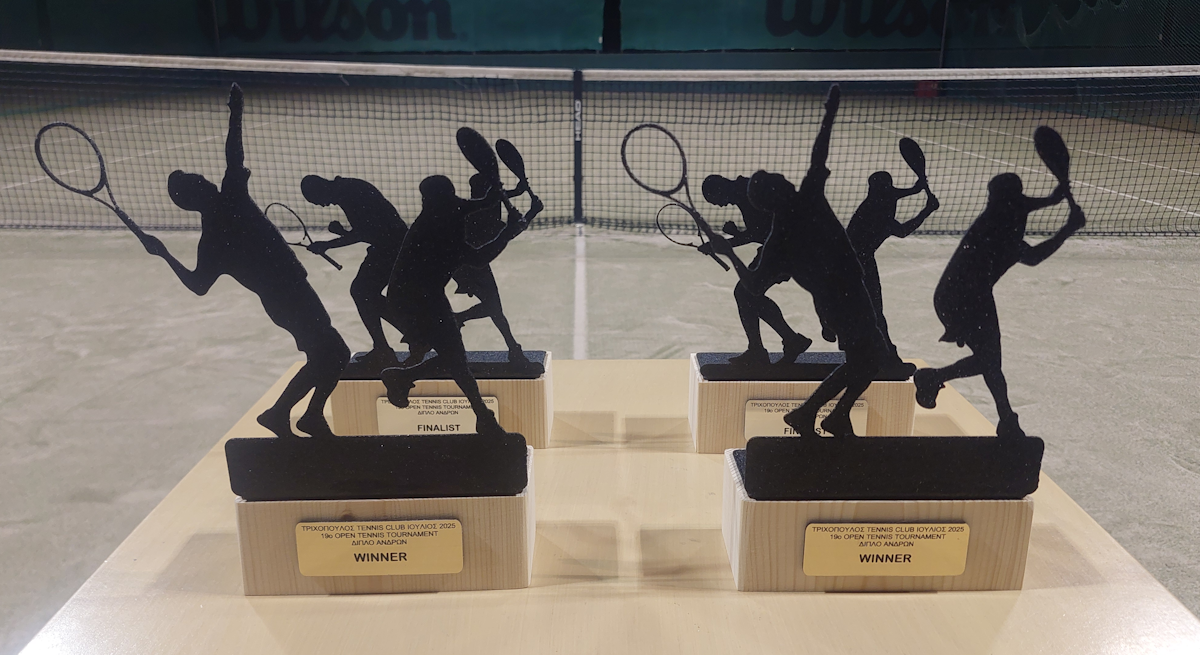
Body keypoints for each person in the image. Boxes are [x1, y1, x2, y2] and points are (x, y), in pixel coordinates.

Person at [140, 84, 349, 439]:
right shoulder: (229, 203)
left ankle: (301, 415)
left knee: (328, 353)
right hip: (287, 294)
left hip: (285, 295)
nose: (205, 179)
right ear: (194, 197)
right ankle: (287, 414)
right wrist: (235, 113)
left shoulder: (212, 238)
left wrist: (164, 254)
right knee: (334, 352)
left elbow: (198, 284)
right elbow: (233, 155)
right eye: (198, 181)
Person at [728, 84, 896, 438]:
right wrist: (829, 114)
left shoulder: (778, 238)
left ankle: (826, 415)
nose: (785, 178)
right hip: (844, 296)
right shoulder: (806, 199)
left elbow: (753, 284)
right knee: (870, 357)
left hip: (840, 296)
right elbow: (819, 154)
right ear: (777, 192)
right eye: (778, 180)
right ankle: (812, 413)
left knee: (868, 358)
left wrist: (728, 251)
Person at [913, 173, 1084, 439]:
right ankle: (1001, 416)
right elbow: (1033, 257)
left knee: (989, 361)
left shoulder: (1003, 209)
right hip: (966, 300)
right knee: (990, 362)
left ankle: (999, 413)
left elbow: (1027, 203)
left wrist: (1054, 198)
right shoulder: (999, 231)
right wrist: (1068, 229)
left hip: (957, 296)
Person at [380, 174, 543, 437]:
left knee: (455, 359)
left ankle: (405, 378)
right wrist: (510, 230)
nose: (456, 201)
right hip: (418, 301)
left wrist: (498, 195)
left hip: (418, 296)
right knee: (455, 359)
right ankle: (482, 418)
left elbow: (479, 203)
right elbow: (478, 258)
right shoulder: (438, 228)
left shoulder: (442, 211)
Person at [699, 175, 813, 366]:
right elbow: (766, 228)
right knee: (749, 294)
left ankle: (763, 349)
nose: (719, 206)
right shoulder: (745, 190)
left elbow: (757, 233)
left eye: (716, 201)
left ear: (720, 189)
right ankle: (788, 341)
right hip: (784, 247)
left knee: (745, 293)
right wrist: (737, 234)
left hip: (786, 250)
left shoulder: (747, 195)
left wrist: (722, 245)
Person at [301, 175, 408, 366]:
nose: (322, 206)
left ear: (321, 189)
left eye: (317, 201)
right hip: (390, 246)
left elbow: (365, 232)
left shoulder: (350, 194)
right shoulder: (348, 189)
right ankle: (404, 338)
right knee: (364, 293)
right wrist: (343, 233)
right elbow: (372, 228)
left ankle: (399, 341)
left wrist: (327, 245)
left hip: (392, 249)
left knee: (362, 292)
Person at [846, 167, 940, 359]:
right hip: (859, 264)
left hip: (852, 260)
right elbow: (903, 231)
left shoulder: (878, 198)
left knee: (863, 309)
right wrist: (926, 211)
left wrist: (917, 187)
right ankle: (886, 354)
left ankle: (872, 348)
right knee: (873, 311)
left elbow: (901, 192)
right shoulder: (877, 213)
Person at [448, 173, 534, 364]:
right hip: (471, 266)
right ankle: (513, 349)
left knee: (494, 307)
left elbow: (494, 200)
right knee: (494, 307)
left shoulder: (471, 206)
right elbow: (512, 231)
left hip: (466, 263)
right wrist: (532, 212)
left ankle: (512, 347)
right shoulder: (484, 214)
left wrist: (515, 192)